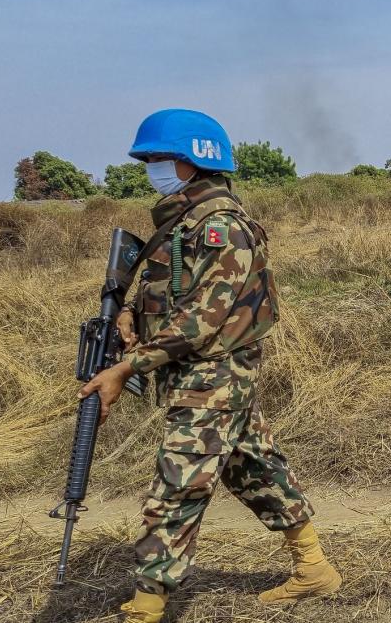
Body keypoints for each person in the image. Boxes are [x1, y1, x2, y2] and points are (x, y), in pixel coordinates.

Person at [78, 109, 341, 622]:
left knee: (178, 485)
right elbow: (172, 290)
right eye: (149, 158)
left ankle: (148, 604)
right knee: (254, 467)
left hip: (216, 373)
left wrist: (127, 367)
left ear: (191, 161)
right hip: (203, 373)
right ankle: (313, 568)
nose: (151, 167)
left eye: (159, 158)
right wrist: (132, 314)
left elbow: (203, 317)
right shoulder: (181, 220)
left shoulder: (221, 225)